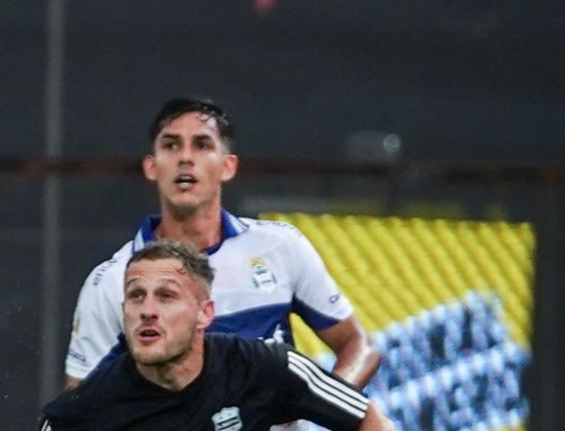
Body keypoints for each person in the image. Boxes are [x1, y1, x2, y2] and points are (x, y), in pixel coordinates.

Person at [65, 98, 380, 392]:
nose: (186, 157)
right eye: (171, 145)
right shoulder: (110, 281)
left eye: (202, 145)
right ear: (151, 166)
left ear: (228, 166)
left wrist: (320, 404)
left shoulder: (281, 247)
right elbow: (79, 407)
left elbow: (359, 346)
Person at [41, 241, 395, 431]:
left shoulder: (265, 367)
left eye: (166, 296)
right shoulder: (84, 410)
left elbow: (368, 419)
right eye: (136, 296)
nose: (147, 310)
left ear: (204, 314)